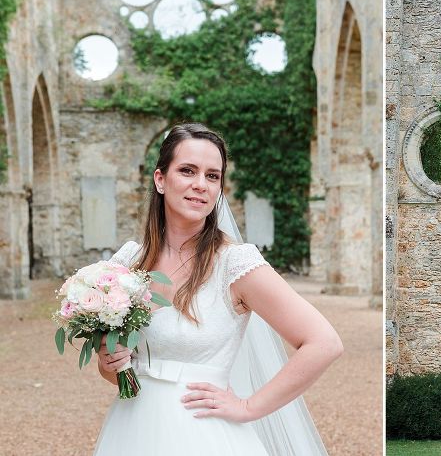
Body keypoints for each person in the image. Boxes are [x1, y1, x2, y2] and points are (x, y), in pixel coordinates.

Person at [92, 123, 343, 455]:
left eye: (212, 176)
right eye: (187, 171)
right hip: (132, 429)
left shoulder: (235, 264)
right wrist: (110, 364)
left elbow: (324, 343)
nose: (200, 185)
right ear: (160, 180)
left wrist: (248, 407)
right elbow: (117, 369)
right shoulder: (128, 262)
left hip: (204, 434)